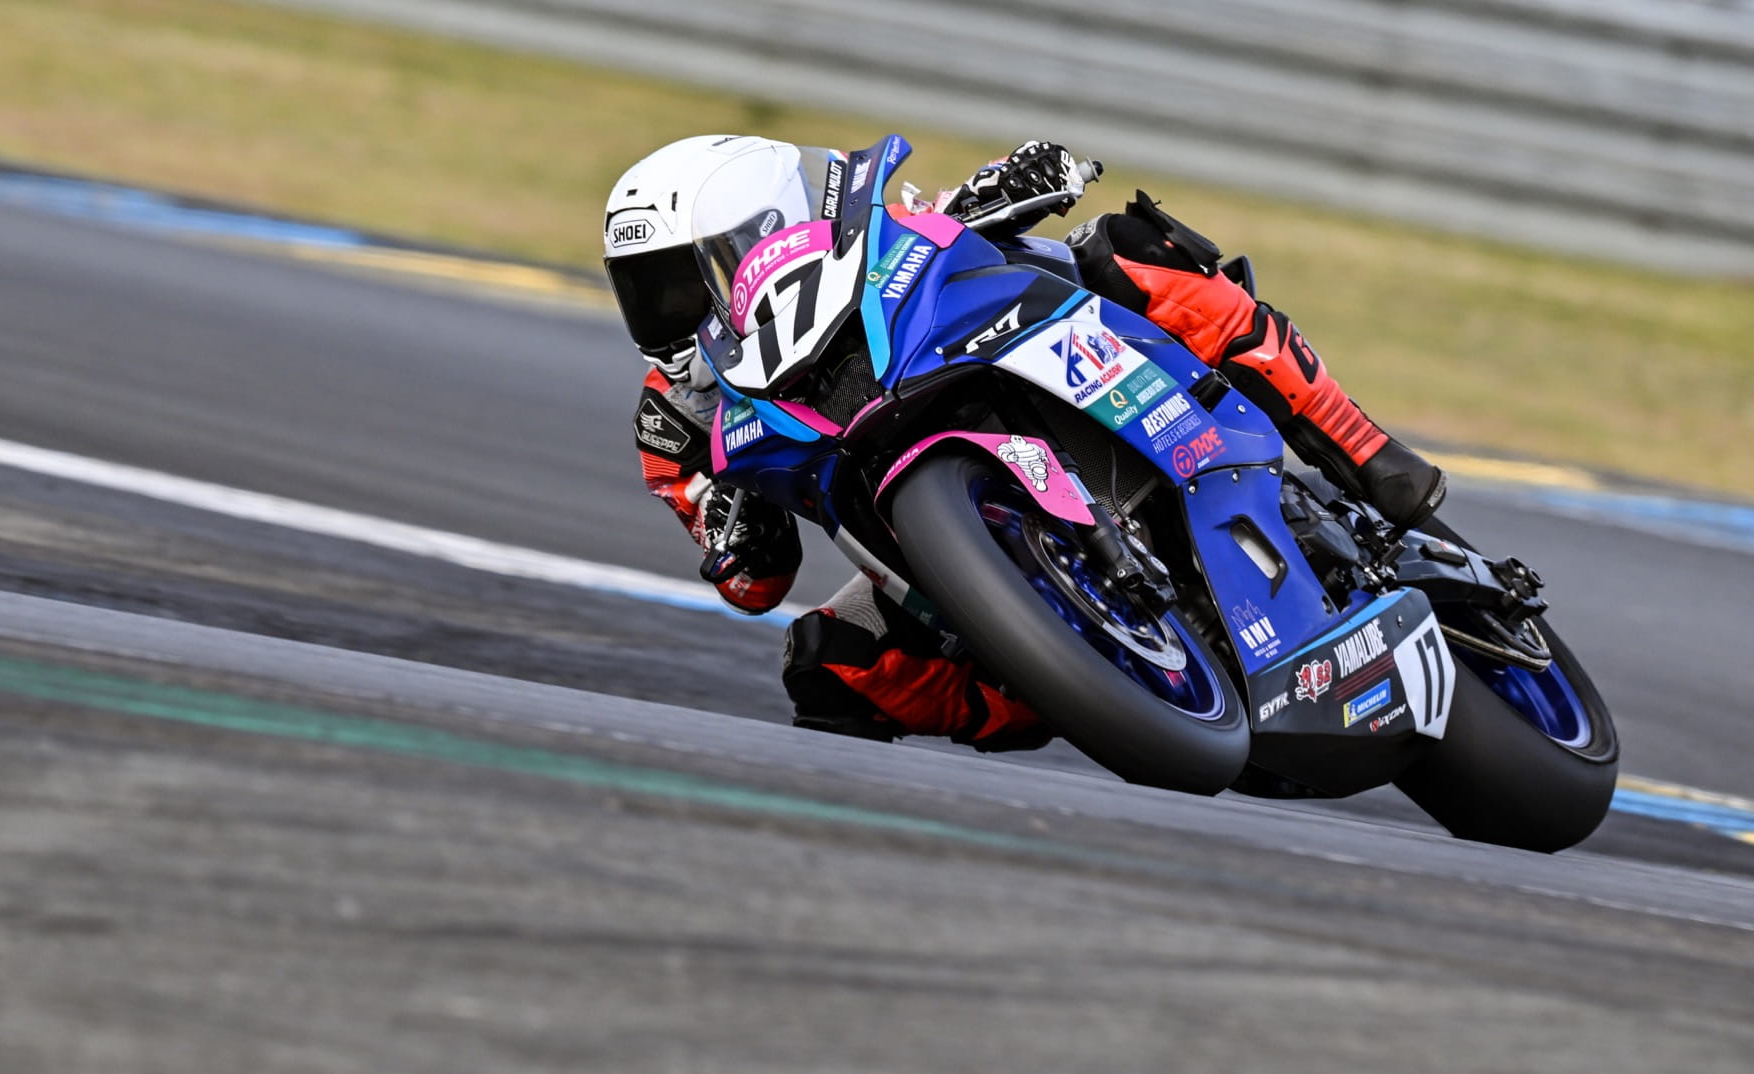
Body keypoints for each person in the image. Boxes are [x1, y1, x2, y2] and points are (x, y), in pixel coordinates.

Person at [602, 135, 1446, 748]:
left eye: (681, 284)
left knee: (1128, 250)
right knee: (828, 663)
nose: (670, 316)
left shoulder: (852, 242)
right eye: (647, 294)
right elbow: (756, 585)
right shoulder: (675, 420)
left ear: (760, 232)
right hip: (913, 547)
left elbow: (936, 218)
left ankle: (1362, 447)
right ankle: (1067, 681)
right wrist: (733, 531)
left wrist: (1010, 185)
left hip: (1001, 365)